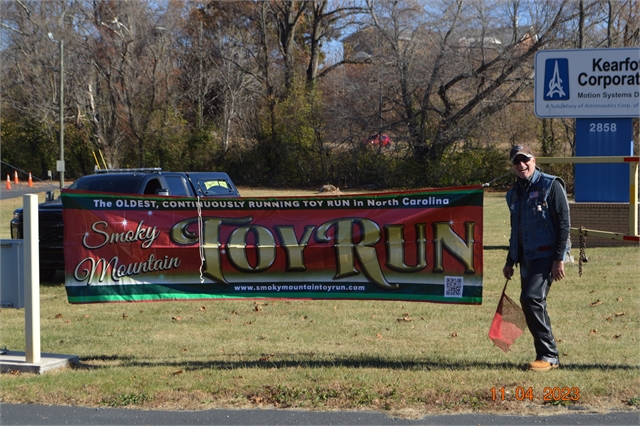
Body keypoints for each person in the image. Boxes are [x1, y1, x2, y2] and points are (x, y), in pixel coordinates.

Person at [502, 145, 571, 372]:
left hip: (546, 255)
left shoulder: (551, 185)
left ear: (534, 159)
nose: (521, 165)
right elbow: (516, 229)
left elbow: (563, 224)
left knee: (531, 299)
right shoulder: (513, 193)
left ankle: (549, 356)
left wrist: (558, 258)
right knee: (532, 302)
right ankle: (544, 354)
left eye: (525, 160)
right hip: (525, 257)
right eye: (516, 161)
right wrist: (510, 261)